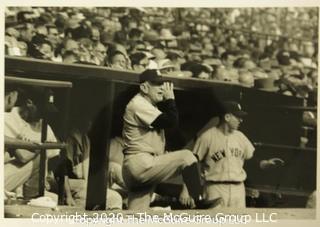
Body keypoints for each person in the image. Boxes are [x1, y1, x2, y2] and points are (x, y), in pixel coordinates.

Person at [122, 69, 218, 210]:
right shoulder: (138, 104)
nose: (162, 88)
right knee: (187, 157)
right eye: (156, 84)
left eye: (163, 84)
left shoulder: (148, 105)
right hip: (141, 163)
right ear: (144, 87)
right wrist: (170, 100)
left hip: (140, 165)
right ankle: (198, 201)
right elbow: (170, 122)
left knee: (137, 214)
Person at [192, 101, 255, 208]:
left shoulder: (241, 137)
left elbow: (250, 157)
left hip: (238, 189)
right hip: (215, 188)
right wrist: (187, 189)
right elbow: (191, 162)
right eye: (238, 117)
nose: (241, 120)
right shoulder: (207, 137)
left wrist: (263, 163)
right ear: (227, 117)